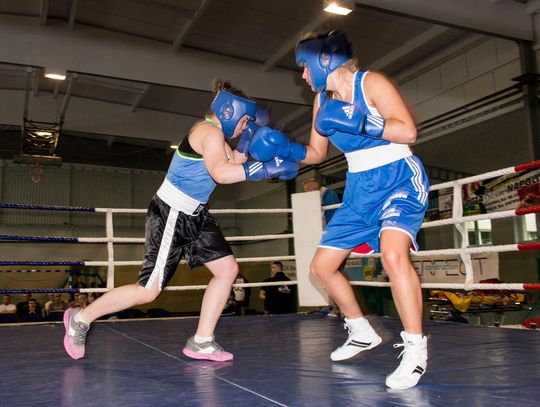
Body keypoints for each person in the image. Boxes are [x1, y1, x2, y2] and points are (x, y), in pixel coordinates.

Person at [62, 80, 299, 362]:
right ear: (228, 112)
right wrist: (263, 168)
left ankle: (202, 340)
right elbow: (222, 175)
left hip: (195, 214)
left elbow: (231, 163)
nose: (244, 126)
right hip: (171, 213)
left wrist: (248, 145)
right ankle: (81, 318)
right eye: (244, 121)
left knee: (227, 270)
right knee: (147, 291)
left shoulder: (217, 138)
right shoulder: (207, 133)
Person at [288, 30, 430, 389]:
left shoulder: (373, 83)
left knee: (393, 256)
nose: (303, 75)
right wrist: (280, 153)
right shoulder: (322, 100)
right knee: (322, 267)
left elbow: (408, 131)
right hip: (358, 189)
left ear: (323, 59)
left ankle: (415, 350)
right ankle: (361, 330)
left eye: (304, 66)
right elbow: (316, 153)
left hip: (398, 177)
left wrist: (363, 121)